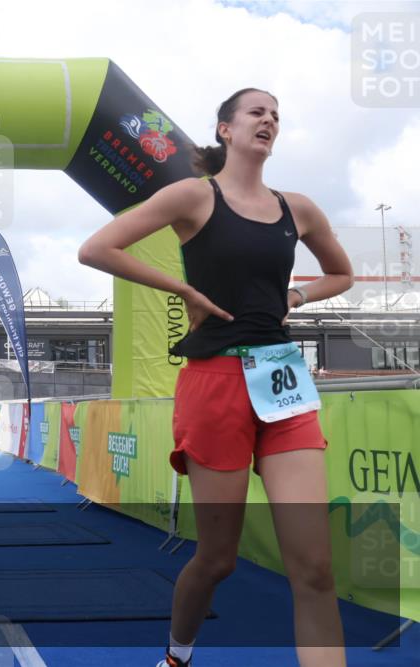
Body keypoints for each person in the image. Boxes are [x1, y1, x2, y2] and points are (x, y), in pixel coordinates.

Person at [77, 88, 353, 667]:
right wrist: (182, 289)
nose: (269, 119)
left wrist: (296, 294)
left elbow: (341, 274)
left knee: (316, 567)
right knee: (218, 559)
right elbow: (96, 249)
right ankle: (178, 654)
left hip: (283, 385)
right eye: (257, 111)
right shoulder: (192, 196)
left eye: (277, 113)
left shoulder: (297, 208)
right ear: (225, 129)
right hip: (215, 382)